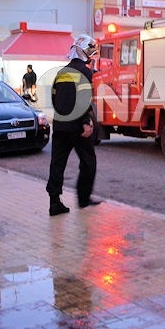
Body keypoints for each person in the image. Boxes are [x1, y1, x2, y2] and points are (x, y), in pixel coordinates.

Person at [46, 34, 101, 216]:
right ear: (85, 51)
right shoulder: (85, 72)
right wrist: (86, 122)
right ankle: (83, 199)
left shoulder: (61, 72)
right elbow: (83, 100)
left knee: (57, 164)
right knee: (88, 162)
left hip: (60, 126)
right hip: (77, 126)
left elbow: (54, 98)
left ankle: (54, 202)